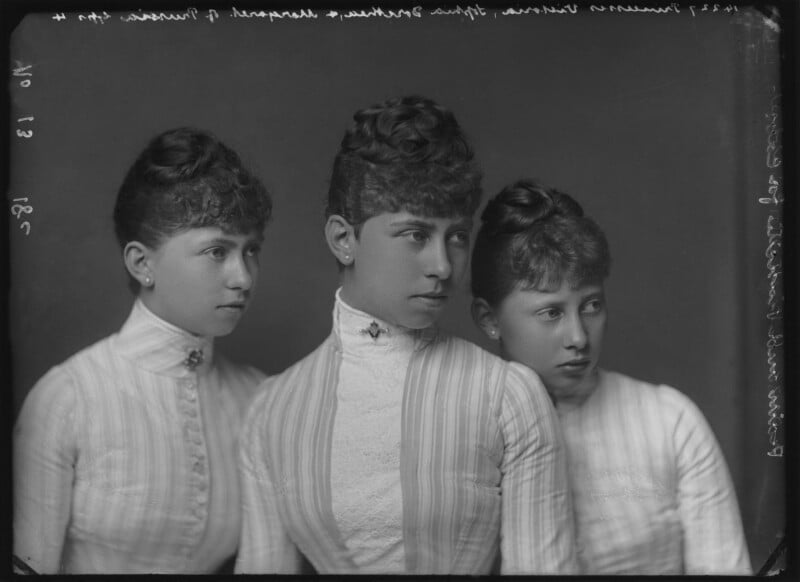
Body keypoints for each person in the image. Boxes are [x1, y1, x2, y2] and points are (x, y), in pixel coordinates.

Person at [235, 96, 577, 575]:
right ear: (343, 238)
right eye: (416, 235)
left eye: (456, 236)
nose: (442, 266)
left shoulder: (507, 395)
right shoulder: (273, 410)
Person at [13, 127, 272, 574]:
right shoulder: (68, 399)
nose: (243, 277)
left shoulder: (262, 401)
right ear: (142, 263)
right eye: (216, 251)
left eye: (251, 251)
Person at [469, 179, 752, 575]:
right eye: (551, 312)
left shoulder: (669, 421)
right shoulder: (461, 432)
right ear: (488, 319)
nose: (578, 337)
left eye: (591, 306)